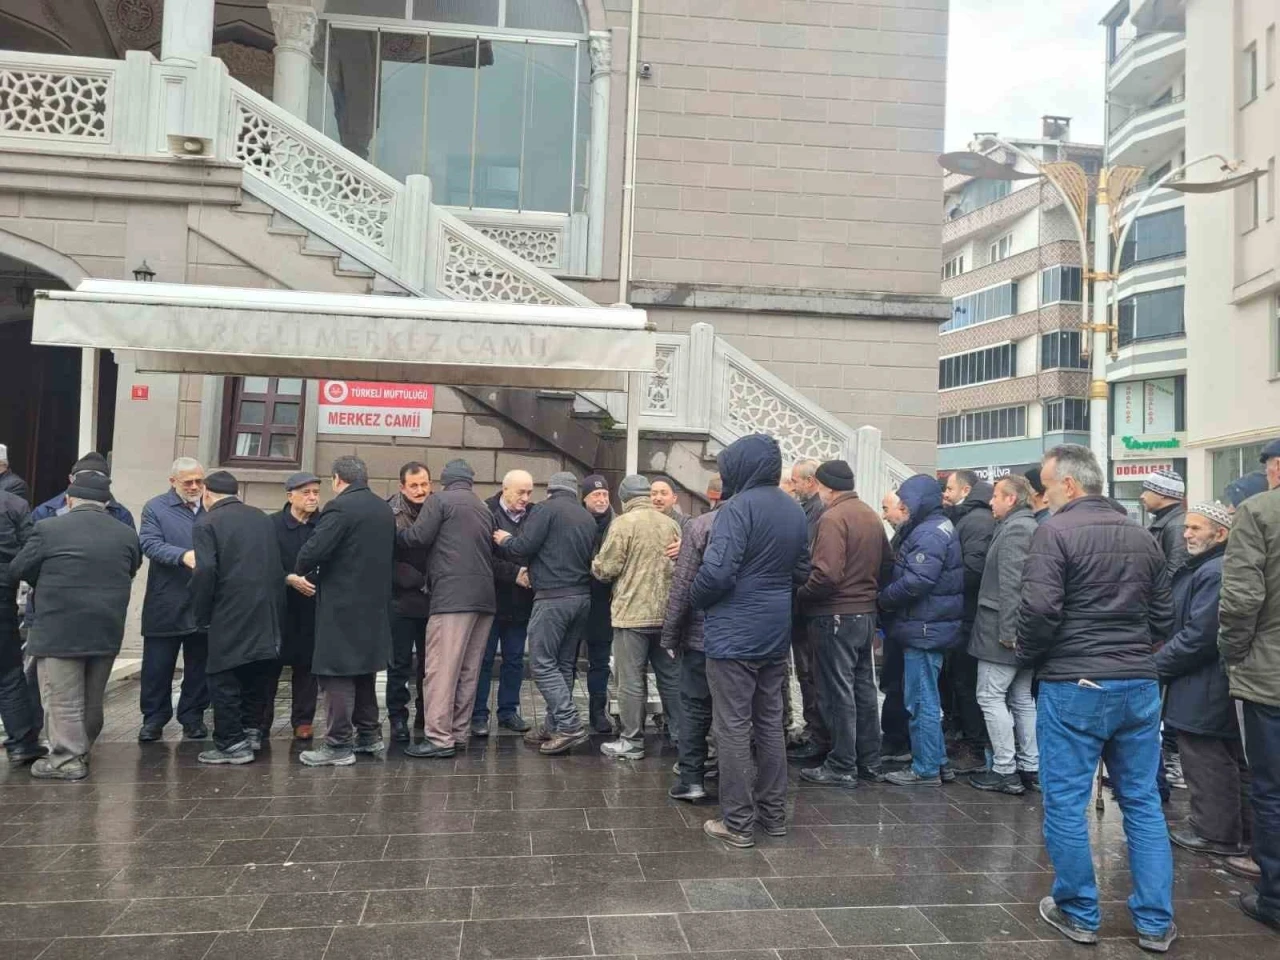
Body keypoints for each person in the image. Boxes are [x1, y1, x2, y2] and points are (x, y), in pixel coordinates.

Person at [1017, 444, 1177, 953]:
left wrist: (1030, 654)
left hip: (1075, 682)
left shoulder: (1054, 531)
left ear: (1068, 484)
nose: (1043, 495)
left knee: (1065, 802)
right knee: (1142, 801)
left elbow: (1039, 610)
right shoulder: (1141, 534)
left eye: (1046, 486)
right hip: (1137, 681)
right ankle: (1155, 921)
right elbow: (1165, 616)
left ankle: (1079, 911)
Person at [689, 434, 809, 847]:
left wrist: (696, 597)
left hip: (734, 632)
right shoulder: (793, 508)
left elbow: (717, 573)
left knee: (733, 727)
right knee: (770, 724)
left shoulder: (736, 509)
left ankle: (738, 821)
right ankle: (773, 815)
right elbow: (802, 571)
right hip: (775, 630)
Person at [10, 472, 139, 779]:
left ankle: (66, 760)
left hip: (59, 628)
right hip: (106, 627)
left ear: (69, 500)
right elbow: (131, 568)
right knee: (92, 699)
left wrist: (46, 581)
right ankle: (82, 752)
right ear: (105, 503)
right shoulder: (126, 534)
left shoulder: (48, 528)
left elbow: (19, 568)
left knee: (62, 699)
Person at [1158, 503, 1251, 860]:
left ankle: (1215, 833)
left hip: (1205, 682)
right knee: (1223, 757)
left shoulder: (1214, 571)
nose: (1187, 534)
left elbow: (1200, 636)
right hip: (1206, 680)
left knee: (1206, 757)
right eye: (1187, 527)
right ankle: (1240, 831)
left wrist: (1156, 664)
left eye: (1196, 528)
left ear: (1220, 533)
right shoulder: (1208, 567)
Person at [294, 456, 395, 767]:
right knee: (364, 672)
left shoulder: (339, 508)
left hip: (341, 607)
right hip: (374, 606)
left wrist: (303, 567)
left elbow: (313, 551)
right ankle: (369, 735)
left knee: (335, 673)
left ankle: (338, 744)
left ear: (337, 479)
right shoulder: (383, 508)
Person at [795, 459, 890, 789]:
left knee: (836, 692)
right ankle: (869, 761)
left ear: (825, 488)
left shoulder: (832, 517)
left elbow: (827, 574)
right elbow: (888, 564)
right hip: (865, 614)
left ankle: (841, 764)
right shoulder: (870, 515)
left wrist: (802, 595)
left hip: (834, 615)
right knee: (863, 689)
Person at [1218, 437, 1280, 931]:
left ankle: (1275, 898)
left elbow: (1241, 600)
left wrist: (1234, 654)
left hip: (1271, 675)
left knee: (1273, 789)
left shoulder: (1259, 512)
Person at [494, 471, 597, 755]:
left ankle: (569, 724)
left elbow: (523, 547)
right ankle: (554, 726)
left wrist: (505, 539)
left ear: (550, 490)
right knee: (563, 664)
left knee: (541, 663)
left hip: (552, 598)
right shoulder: (586, 517)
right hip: (581, 598)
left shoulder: (545, 510)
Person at [399, 458, 496, 759]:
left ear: (444, 481)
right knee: (468, 670)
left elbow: (418, 537)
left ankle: (439, 738)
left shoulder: (439, 501)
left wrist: (395, 534)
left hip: (452, 598)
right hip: (484, 600)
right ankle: (458, 732)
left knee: (441, 670)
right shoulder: (483, 507)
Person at [189, 471, 283, 765]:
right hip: (266, 609)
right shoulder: (261, 518)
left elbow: (205, 570)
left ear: (207, 493)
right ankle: (252, 730)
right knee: (256, 670)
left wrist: (201, 612)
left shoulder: (206, 522)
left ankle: (231, 742)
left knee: (222, 675)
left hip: (228, 609)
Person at [879, 475, 964, 787]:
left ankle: (925, 769)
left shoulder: (928, 533)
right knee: (925, 697)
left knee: (921, 701)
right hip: (929, 625)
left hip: (924, 628)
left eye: (906, 502)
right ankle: (938, 761)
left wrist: (884, 598)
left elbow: (917, 581)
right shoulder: (936, 526)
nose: (902, 507)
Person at [592, 473, 683, 760]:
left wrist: (594, 563)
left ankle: (631, 741)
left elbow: (606, 568)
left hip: (631, 615)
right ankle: (682, 736)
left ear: (624, 499)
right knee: (670, 678)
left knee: (630, 680)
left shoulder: (623, 523)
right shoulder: (670, 523)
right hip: (666, 615)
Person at [967, 475, 1039, 796]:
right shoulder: (1021, 525)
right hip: (1013, 630)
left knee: (990, 696)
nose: (991, 501)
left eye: (996, 495)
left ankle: (1005, 770)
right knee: (1021, 699)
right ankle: (1029, 767)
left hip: (1002, 632)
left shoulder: (1017, 529)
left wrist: (1010, 633)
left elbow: (1013, 586)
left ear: (1011, 499)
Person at [137, 457, 209, 742]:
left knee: (199, 666)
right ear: (173, 482)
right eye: (188, 482)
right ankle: (153, 719)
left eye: (199, 481)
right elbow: (149, 544)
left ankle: (193, 717)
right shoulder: (156, 507)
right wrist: (182, 556)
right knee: (158, 666)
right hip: (166, 599)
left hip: (203, 599)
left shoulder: (212, 505)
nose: (195, 487)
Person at [660, 474, 723, 801]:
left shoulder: (701, 526)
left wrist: (671, 636)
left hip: (701, 636)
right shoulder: (769, 522)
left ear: (712, 495)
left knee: (695, 708)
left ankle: (692, 779)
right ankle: (732, 777)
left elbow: (682, 586)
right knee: (736, 712)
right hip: (746, 639)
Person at [942, 469, 995, 775]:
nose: (945, 493)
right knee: (959, 681)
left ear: (965, 490)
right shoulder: (970, 517)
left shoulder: (976, 521)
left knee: (966, 683)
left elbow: (972, 570)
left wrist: (942, 583)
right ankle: (965, 739)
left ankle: (974, 749)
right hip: (964, 613)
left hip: (969, 615)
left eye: (950, 488)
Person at [475, 469, 534, 737]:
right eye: (521, 492)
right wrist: (515, 573)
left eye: (529, 492)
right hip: (491, 600)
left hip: (521, 603)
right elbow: (482, 557)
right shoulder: (486, 512)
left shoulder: (534, 514)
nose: (526, 498)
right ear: (505, 489)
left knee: (514, 660)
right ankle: (478, 714)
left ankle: (508, 712)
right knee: (484, 660)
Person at [268, 472, 321, 740]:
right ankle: (260, 721)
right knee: (270, 666)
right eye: (306, 493)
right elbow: (263, 562)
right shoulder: (272, 525)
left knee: (308, 665)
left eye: (316, 492)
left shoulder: (324, 524)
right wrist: (287, 578)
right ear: (290, 496)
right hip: (279, 606)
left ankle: (303, 721)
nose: (312, 498)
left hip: (313, 605)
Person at [786, 458, 829, 762]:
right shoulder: (809, 510)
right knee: (807, 673)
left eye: (795, 481)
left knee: (812, 674)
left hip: (810, 606)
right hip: (804, 606)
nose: (793, 486)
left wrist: (802, 591)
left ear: (810, 481)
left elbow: (808, 560)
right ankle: (815, 731)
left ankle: (819, 735)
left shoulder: (819, 513)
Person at [387, 462, 432, 743]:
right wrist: (409, 577)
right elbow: (382, 556)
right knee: (399, 664)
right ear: (402, 487)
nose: (420, 490)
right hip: (400, 601)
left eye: (424, 484)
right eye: (413, 485)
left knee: (430, 666)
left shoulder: (438, 509)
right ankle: (397, 718)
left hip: (432, 600)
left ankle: (425, 714)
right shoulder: (388, 512)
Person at [0, 484, 38, 762]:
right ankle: (21, 744)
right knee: (9, 673)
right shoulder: (13, 504)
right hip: (2, 595)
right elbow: (30, 552)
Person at [878, 488, 913, 763]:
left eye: (886, 508)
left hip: (906, 623)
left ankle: (898, 741)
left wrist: (885, 598)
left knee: (899, 685)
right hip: (898, 622)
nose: (884, 515)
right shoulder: (902, 536)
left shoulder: (914, 537)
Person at [581, 474, 616, 733]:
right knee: (566, 660)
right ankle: (561, 715)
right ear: (584, 499)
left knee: (600, 662)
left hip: (604, 603)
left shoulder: (618, 524)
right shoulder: (575, 521)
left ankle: (597, 713)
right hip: (577, 596)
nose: (602, 499)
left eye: (605, 494)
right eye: (596, 495)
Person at [1141, 468, 1188, 578]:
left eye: (1146, 491)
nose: (1142, 496)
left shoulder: (1177, 526)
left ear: (1162, 493)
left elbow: (1175, 573)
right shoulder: (1165, 522)